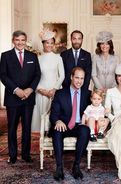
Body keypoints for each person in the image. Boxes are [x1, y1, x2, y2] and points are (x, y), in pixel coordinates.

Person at [0, 30, 41, 164]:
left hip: (28, 98)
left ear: (26, 41)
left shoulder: (32, 56)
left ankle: (25, 154)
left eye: (22, 40)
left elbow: (37, 75)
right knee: (12, 127)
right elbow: (3, 76)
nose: (20, 42)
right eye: (17, 40)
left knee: (27, 127)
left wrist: (29, 90)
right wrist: (16, 90)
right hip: (12, 98)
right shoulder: (5, 56)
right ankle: (12, 155)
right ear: (13, 40)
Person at [49, 67, 91, 181]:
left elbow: (96, 109)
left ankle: (76, 166)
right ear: (71, 77)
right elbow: (53, 113)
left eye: (82, 78)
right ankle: (59, 168)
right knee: (56, 131)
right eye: (77, 77)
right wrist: (57, 121)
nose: (79, 81)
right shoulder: (60, 93)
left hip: (78, 125)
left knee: (85, 130)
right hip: (64, 125)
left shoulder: (88, 94)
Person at [31, 29, 65, 132]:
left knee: (53, 118)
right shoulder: (37, 58)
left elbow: (62, 76)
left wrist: (54, 90)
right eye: (47, 43)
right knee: (41, 119)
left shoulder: (58, 58)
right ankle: (41, 142)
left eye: (51, 43)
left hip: (54, 92)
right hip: (41, 91)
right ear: (43, 43)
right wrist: (40, 90)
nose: (49, 45)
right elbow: (33, 76)